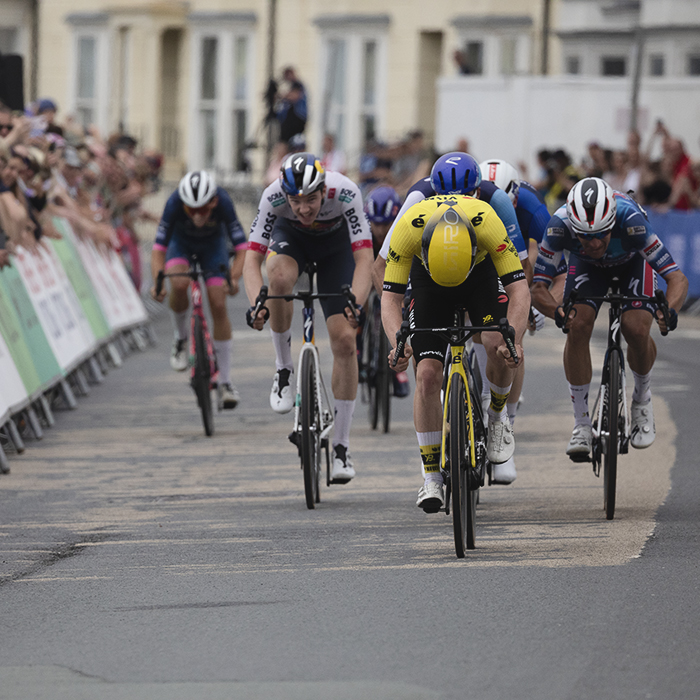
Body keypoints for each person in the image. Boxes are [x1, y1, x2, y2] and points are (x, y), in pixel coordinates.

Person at [372, 152, 529, 485]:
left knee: (497, 341)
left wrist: (514, 336)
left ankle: (498, 415)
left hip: (480, 275)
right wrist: (397, 342)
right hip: (429, 283)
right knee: (427, 375)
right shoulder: (411, 222)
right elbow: (390, 295)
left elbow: (519, 287)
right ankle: (430, 479)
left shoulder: (488, 214)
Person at [531, 176, 688, 459]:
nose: (592, 243)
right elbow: (538, 288)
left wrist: (670, 310)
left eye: (601, 234)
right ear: (572, 228)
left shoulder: (631, 221)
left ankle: (641, 399)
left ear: (612, 222)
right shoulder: (558, 227)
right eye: (584, 236)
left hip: (632, 264)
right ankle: (581, 425)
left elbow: (676, 278)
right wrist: (557, 312)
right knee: (577, 325)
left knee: (636, 328)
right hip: (588, 270)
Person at [243, 152, 373, 484]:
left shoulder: (345, 192)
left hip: (337, 250)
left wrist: (355, 305)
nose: (304, 208)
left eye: (311, 199)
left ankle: (341, 447)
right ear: (284, 194)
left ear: (323, 189)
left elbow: (363, 261)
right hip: (293, 242)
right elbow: (251, 261)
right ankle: (284, 368)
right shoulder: (272, 196)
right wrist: (258, 304)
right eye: (296, 201)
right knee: (279, 279)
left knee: (344, 340)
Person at [150, 171, 247, 409]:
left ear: (213, 202)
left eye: (202, 210)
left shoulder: (223, 201)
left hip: (213, 247)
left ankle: (225, 381)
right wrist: (158, 283)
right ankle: (181, 339)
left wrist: (233, 279)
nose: (196, 215)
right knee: (179, 283)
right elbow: (159, 249)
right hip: (180, 245)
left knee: (218, 303)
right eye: (190, 210)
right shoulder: (174, 202)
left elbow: (243, 248)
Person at [363, 185, 409, 398]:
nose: (381, 230)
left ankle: (400, 370)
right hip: (368, 269)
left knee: (403, 306)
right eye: (376, 224)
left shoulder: (404, 227)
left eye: (386, 224)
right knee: (359, 301)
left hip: (396, 275)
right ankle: (358, 349)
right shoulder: (363, 230)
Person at [275, 67, 308, 144]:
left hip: (297, 118)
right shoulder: (292, 86)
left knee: (292, 143)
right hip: (289, 120)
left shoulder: (297, 85)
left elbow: (295, 96)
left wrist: (282, 96)